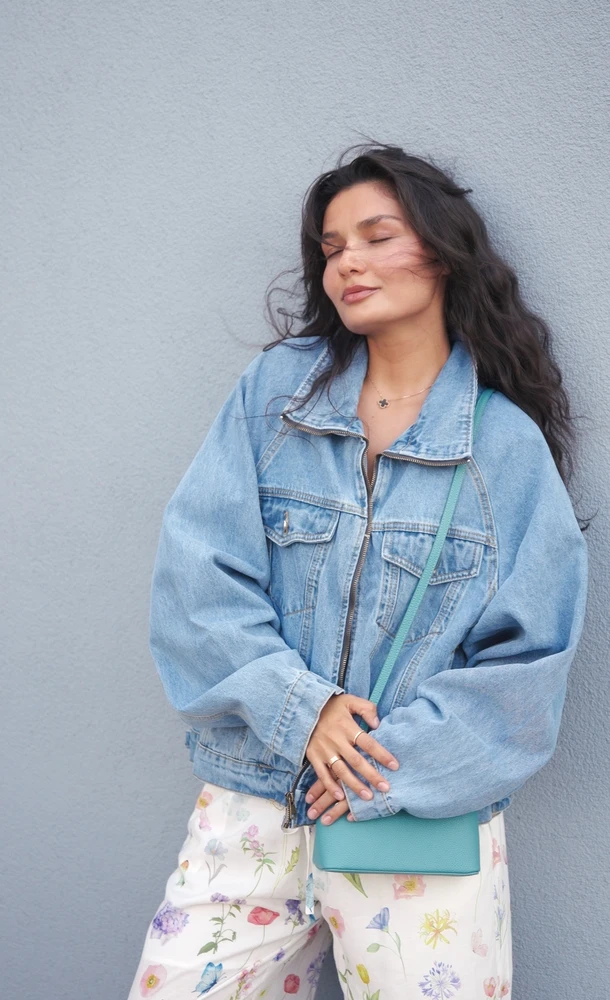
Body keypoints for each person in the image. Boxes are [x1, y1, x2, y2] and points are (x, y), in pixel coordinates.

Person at [127, 143, 588, 1000]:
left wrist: (385, 765)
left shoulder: (503, 447)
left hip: (417, 821)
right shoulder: (276, 398)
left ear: (443, 252)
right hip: (253, 805)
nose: (347, 263)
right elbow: (197, 578)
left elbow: (529, 665)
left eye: (377, 237)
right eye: (333, 247)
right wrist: (303, 712)